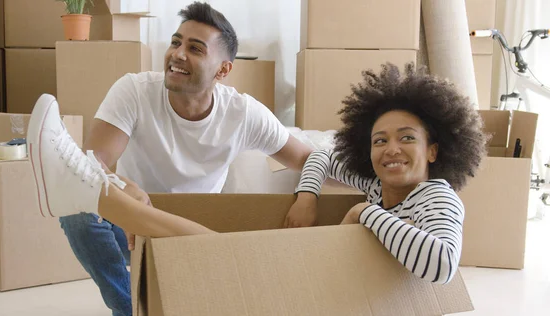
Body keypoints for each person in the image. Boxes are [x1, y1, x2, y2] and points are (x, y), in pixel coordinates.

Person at [31, 2, 313, 316]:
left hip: (189, 230)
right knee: (78, 205)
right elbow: (91, 164)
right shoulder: (135, 91)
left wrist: (308, 195)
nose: (177, 54)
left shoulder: (243, 114)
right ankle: (128, 309)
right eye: (176, 42)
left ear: (223, 70)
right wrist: (126, 189)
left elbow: (306, 158)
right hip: (129, 221)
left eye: (195, 48)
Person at [285, 62, 488, 284]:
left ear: (432, 151)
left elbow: (443, 266)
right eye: (380, 140)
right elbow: (322, 156)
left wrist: (363, 211)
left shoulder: (437, 197)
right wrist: (306, 198)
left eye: (407, 138)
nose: (391, 150)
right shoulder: (375, 184)